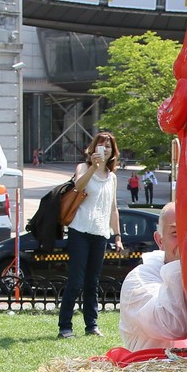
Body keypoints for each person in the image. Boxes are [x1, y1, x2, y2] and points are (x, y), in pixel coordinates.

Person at [58, 130, 124, 338]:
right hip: (80, 230)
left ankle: (91, 325)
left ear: (113, 151)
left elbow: (113, 208)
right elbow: (78, 186)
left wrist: (117, 236)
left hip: (101, 233)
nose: (104, 149)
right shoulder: (84, 167)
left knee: (92, 282)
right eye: (100, 144)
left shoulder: (112, 177)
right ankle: (65, 327)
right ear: (93, 148)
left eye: (108, 146)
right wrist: (94, 167)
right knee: (76, 280)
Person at [119, 201, 187, 349]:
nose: (185, 241)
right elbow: (174, 327)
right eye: (175, 233)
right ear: (159, 240)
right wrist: (180, 262)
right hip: (153, 370)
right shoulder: (137, 279)